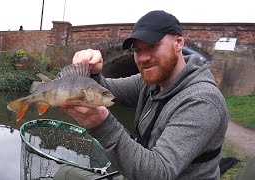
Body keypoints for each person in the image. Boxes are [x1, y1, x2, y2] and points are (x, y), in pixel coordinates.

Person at [61, 10, 229, 180]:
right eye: (137, 50)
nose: (143, 58)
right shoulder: (150, 82)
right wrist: (93, 73)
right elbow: (107, 90)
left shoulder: (202, 101)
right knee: (65, 174)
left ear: (178, 43)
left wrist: (102, 125)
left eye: (152, 46)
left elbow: (158, 172)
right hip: (137, 171)